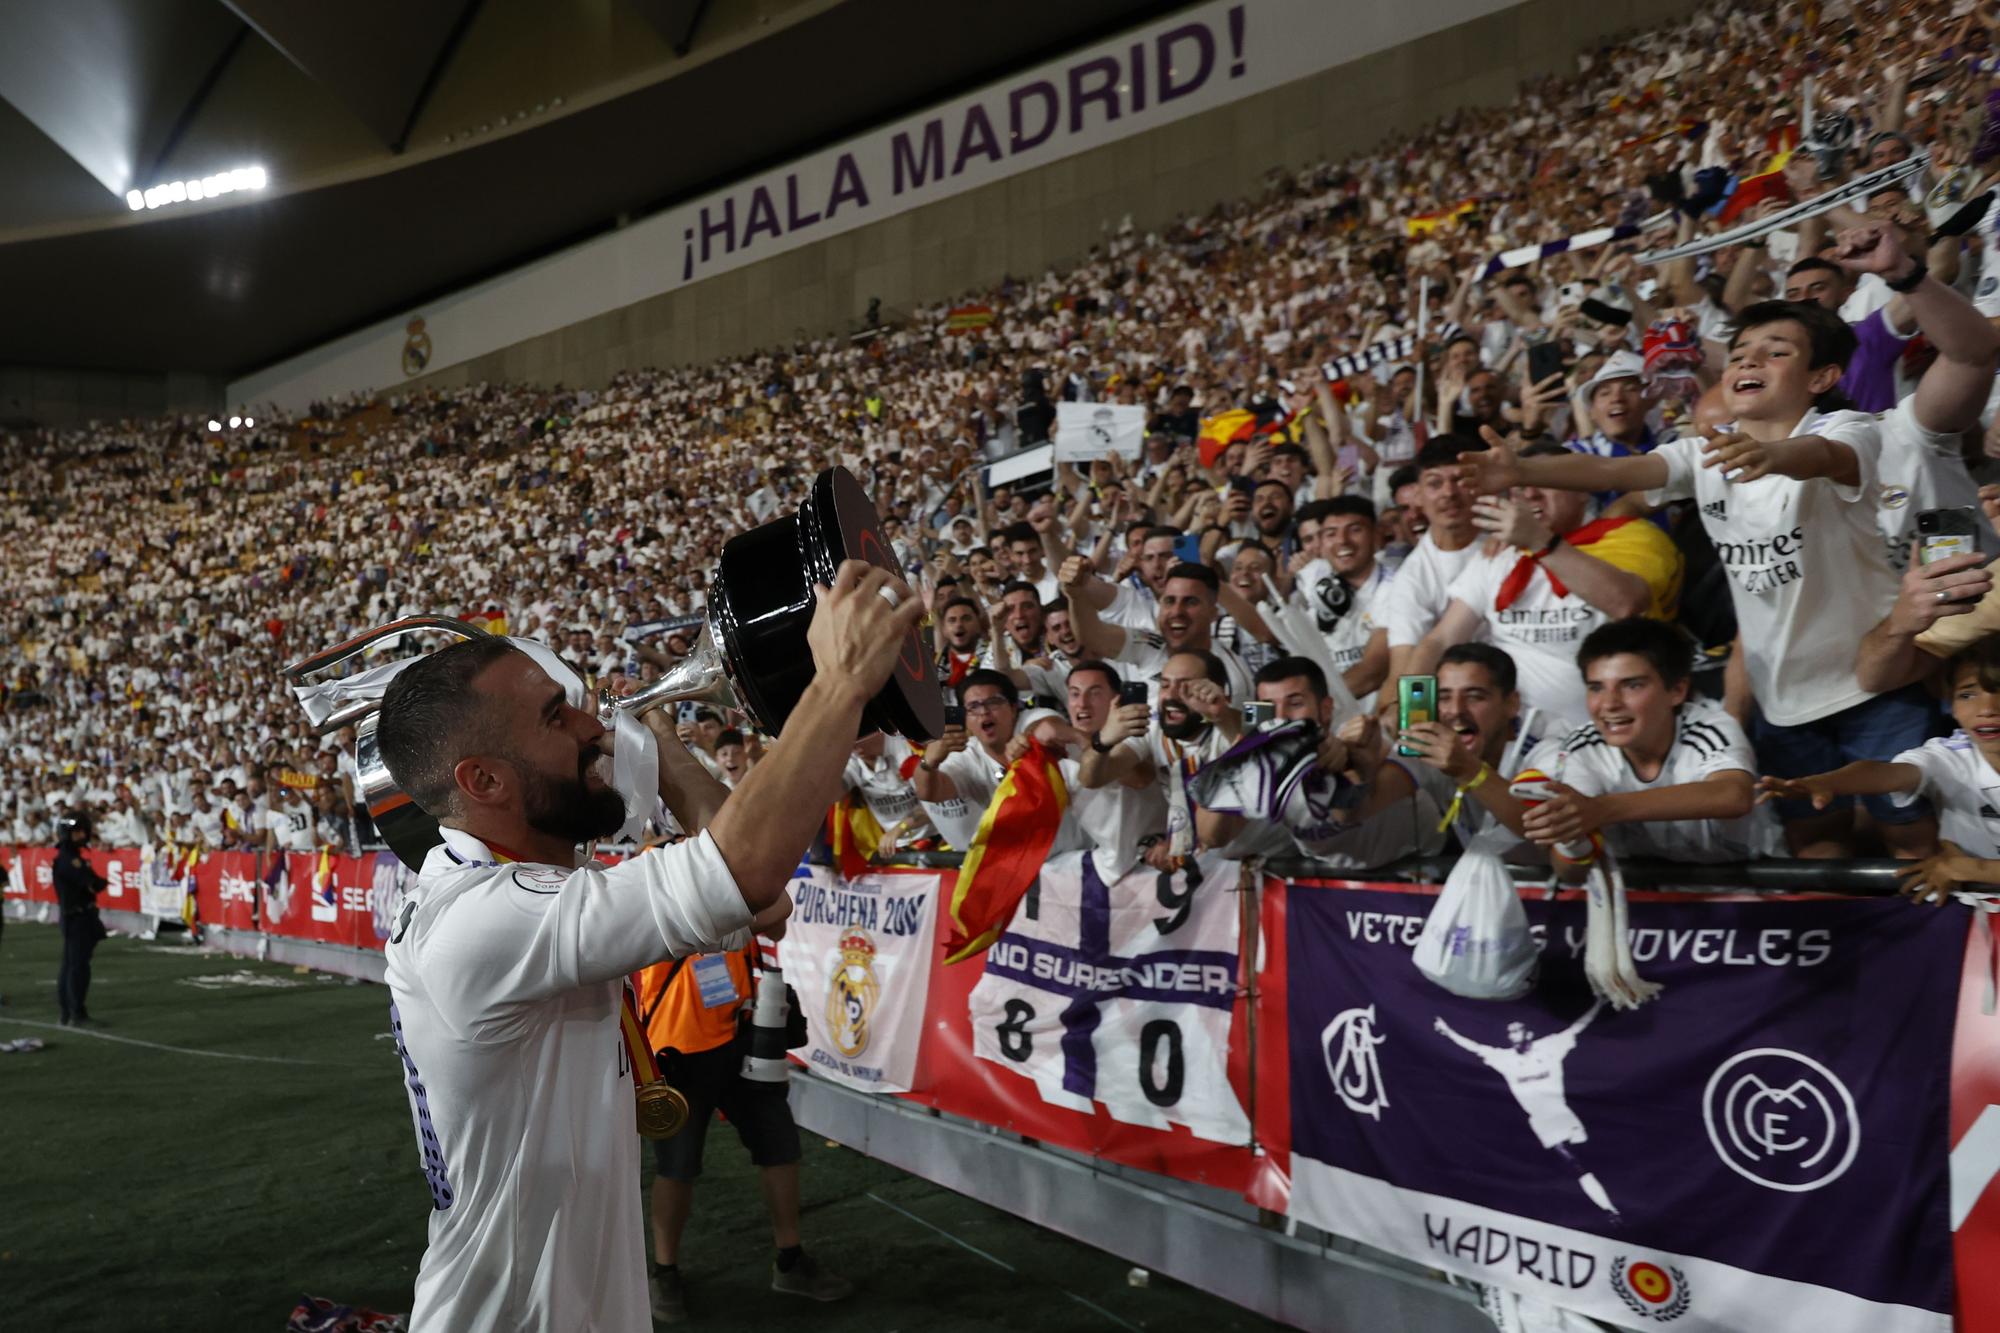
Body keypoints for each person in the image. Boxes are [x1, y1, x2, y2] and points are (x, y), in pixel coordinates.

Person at [371, 559, 920, 1332]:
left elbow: (760, 902)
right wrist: (838, 683)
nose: (595, 727)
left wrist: (665, 749)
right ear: (485, 780)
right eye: (556, 717)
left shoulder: (518, 887)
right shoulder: (479, 921)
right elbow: (747, 870)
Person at [635, 921, 850, 1323]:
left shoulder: (735, 869)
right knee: (676, 1167)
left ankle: (790, 1259)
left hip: (742, 1035)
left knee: (780, 1146)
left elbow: (777, 921)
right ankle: (664, 1271)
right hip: (677, 1050)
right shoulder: (657, 862)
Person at [1403, 441, 1682, 726]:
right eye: (1520, 488)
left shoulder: (1631, 536)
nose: (1532, 495)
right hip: (1503, 738)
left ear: (1583, 492)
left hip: (1606, 734)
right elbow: (1440, 640)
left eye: (1545, 483)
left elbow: (1626, 603)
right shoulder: (1499, 555)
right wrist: (1414, 714)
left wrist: (1539, 541)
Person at [1507, 619, 1777, 864]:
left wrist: (1600, 809)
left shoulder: (1710, 728)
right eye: (1596, 688)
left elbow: (1733, 796)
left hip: (1751, 896)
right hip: (1644, 905)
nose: (1610, 704)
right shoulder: (1581, 747)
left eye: (1632, 685)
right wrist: (1572, 840)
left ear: (1677, 691)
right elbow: (1573, 873)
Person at [1761, 636, 2000, 904]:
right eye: (1967, 694)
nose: (1987, 710)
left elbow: (1964, 868)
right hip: (1973, 913)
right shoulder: (1950, 755)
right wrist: (1829, 782)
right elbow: (1887, 774)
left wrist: (1972, 869)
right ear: (1951, 706)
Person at [52, 814, 108, 1028]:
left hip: (77, 916)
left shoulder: (69, 856)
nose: (82, 835)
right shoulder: (70, 859)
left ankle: (68, 1012)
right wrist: (98, 882)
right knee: (77, 967)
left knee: (71, 965)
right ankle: (76, 1013)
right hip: (78, 916)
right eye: (78, 832)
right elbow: (93, 884)